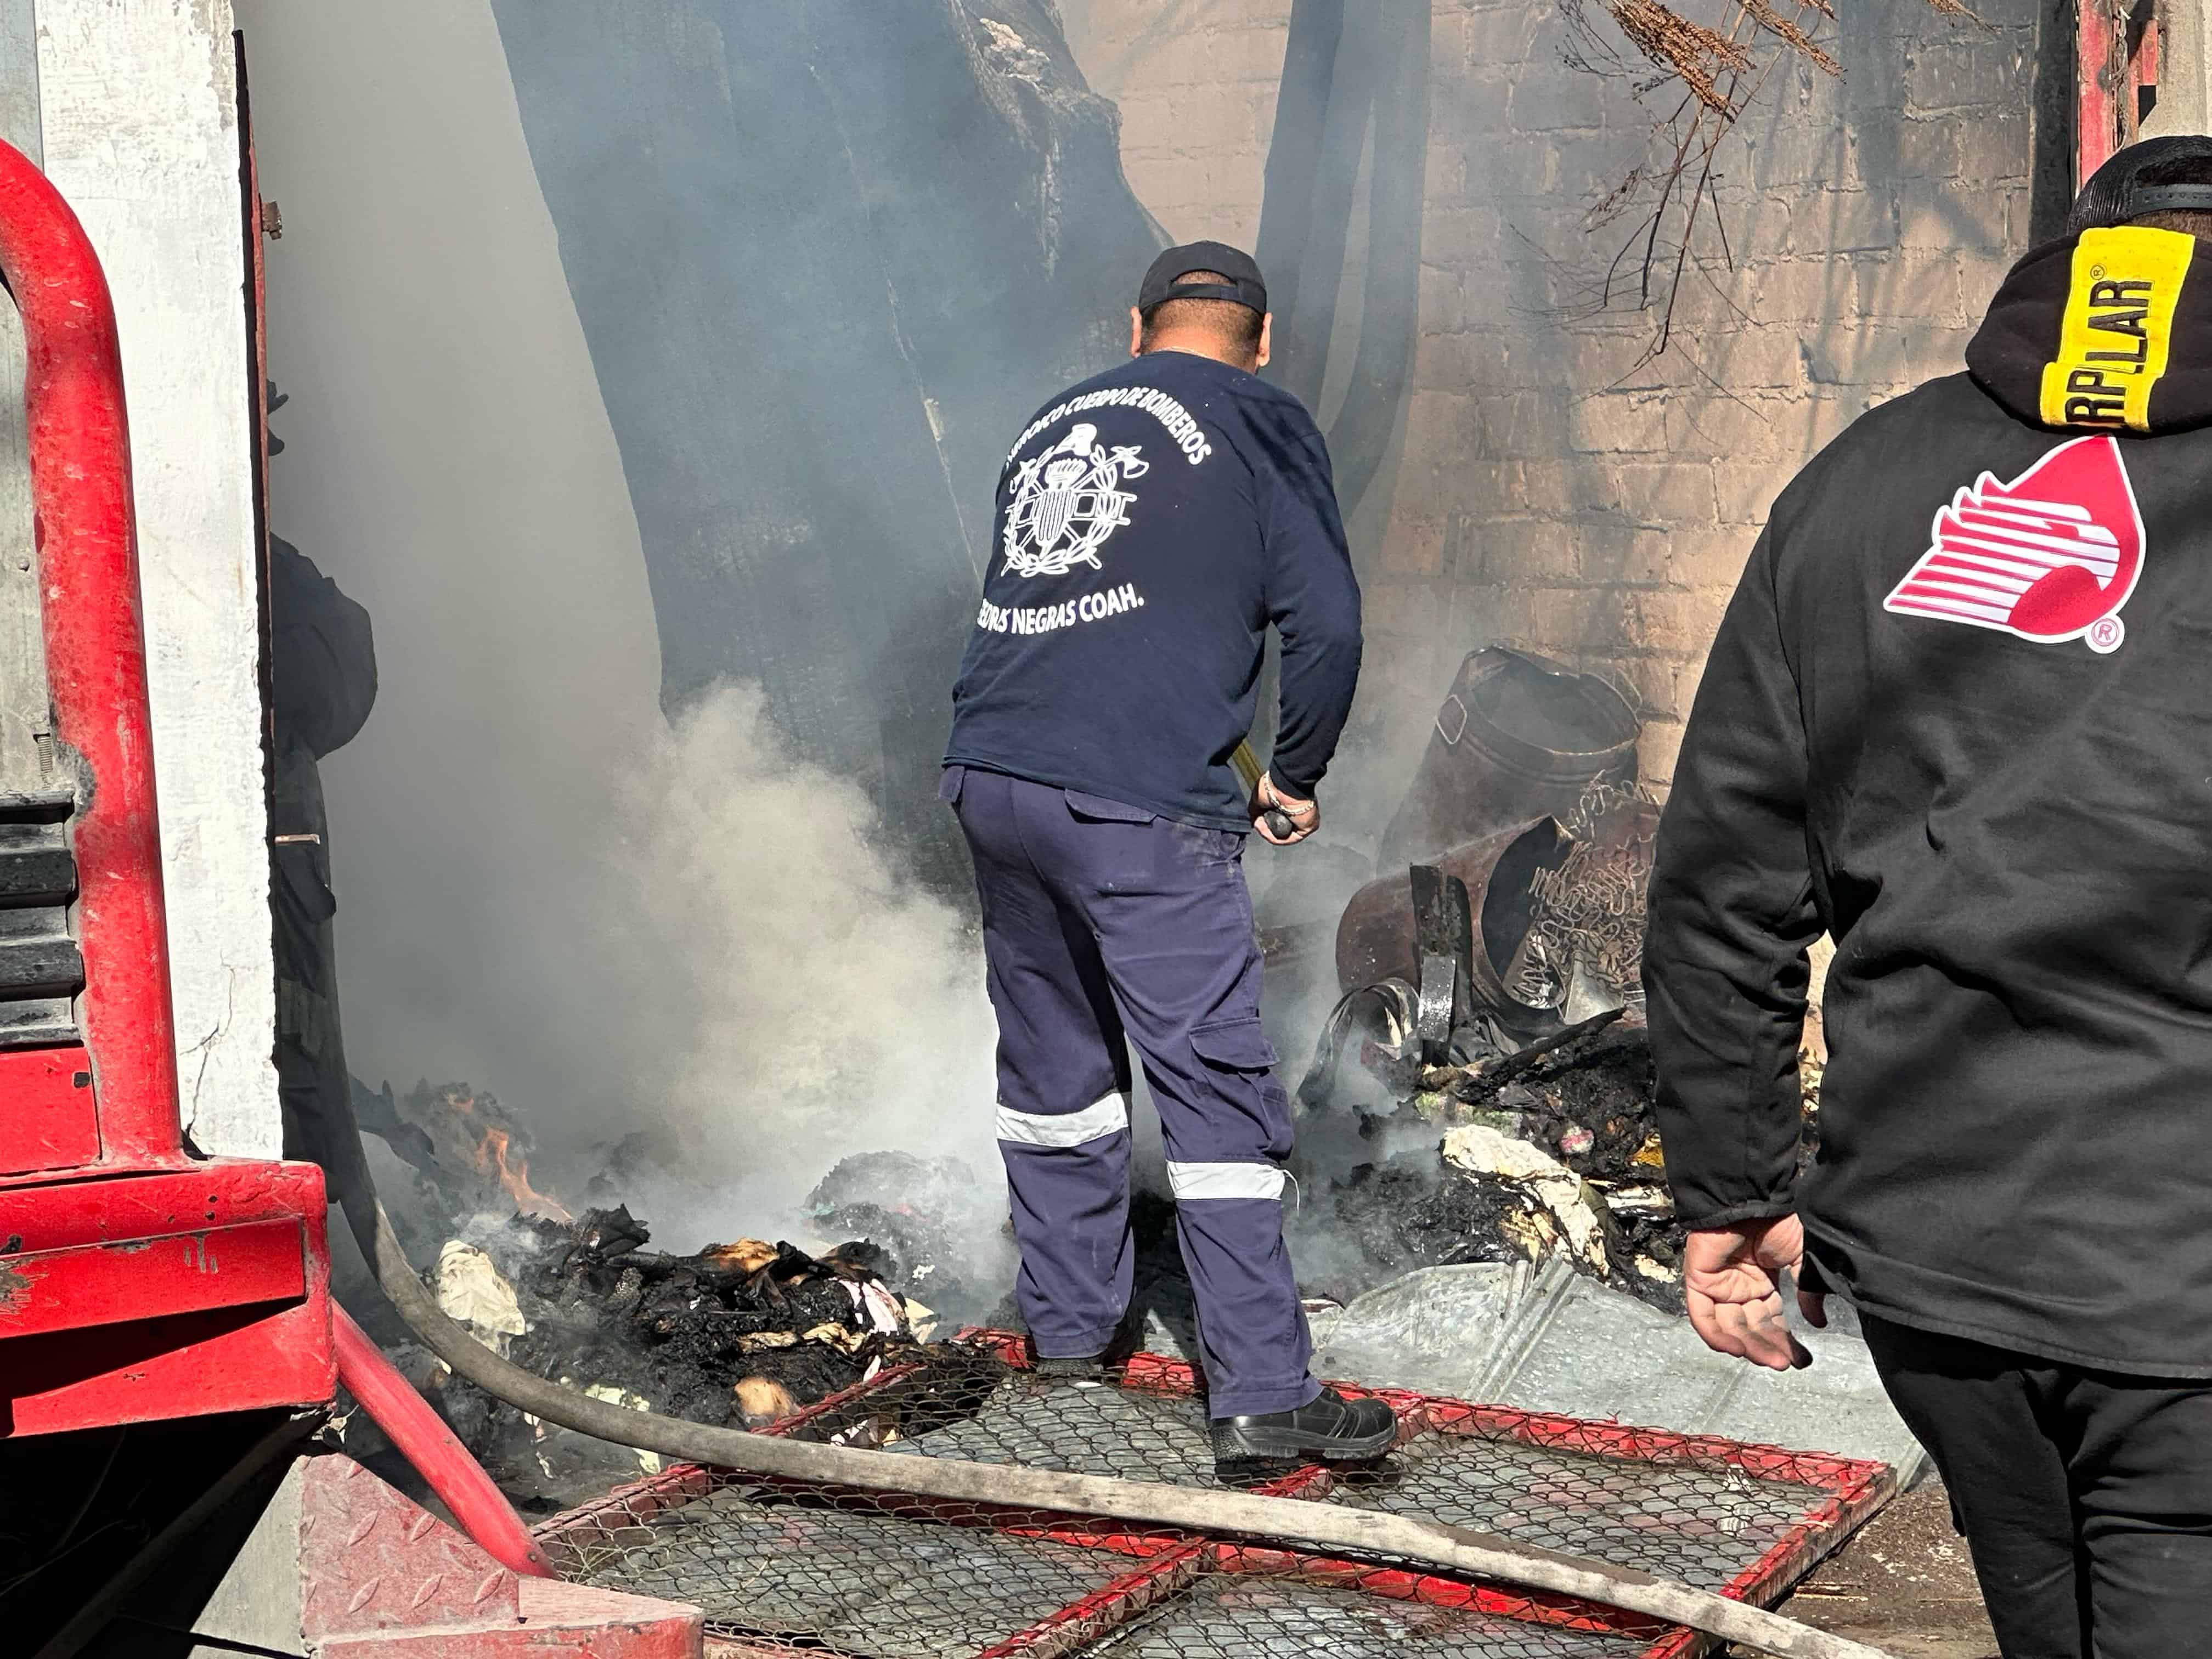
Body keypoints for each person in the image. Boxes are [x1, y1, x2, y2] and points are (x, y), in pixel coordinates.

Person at [1644, 136, 2212, 1655]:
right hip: (2180, 1280)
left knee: (2042, 1605)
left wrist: (1734, 1188)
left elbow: (1724, 876)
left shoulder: (1860, 483)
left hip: (1936, 1258)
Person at [941, 241, 1390, 1479]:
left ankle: (1071, 1331)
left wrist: (1237, 755)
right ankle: (1262, 1394)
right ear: (1262, 338)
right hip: (1133, 807)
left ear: (1136, 329)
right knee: (1214, 1094)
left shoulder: (1055, 419)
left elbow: (1104, 620)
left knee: (1055, 1069)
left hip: (993, 773)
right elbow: (1329, 625)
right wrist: (1294, 773)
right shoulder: (1261, 415)